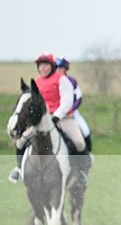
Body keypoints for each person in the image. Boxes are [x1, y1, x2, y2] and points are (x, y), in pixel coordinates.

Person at [8, 53, 90, 186]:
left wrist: (57, 116)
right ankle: (19, 169)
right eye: (40, 65)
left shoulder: (62, 79)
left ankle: (81, 172)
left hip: (63, 118)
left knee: (79, 143)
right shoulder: (36, 82)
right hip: (43, 121)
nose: (42, 68)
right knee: (20, 141)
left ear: (52, 66)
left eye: (45, 65)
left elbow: (67, 101)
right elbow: (34, 103)